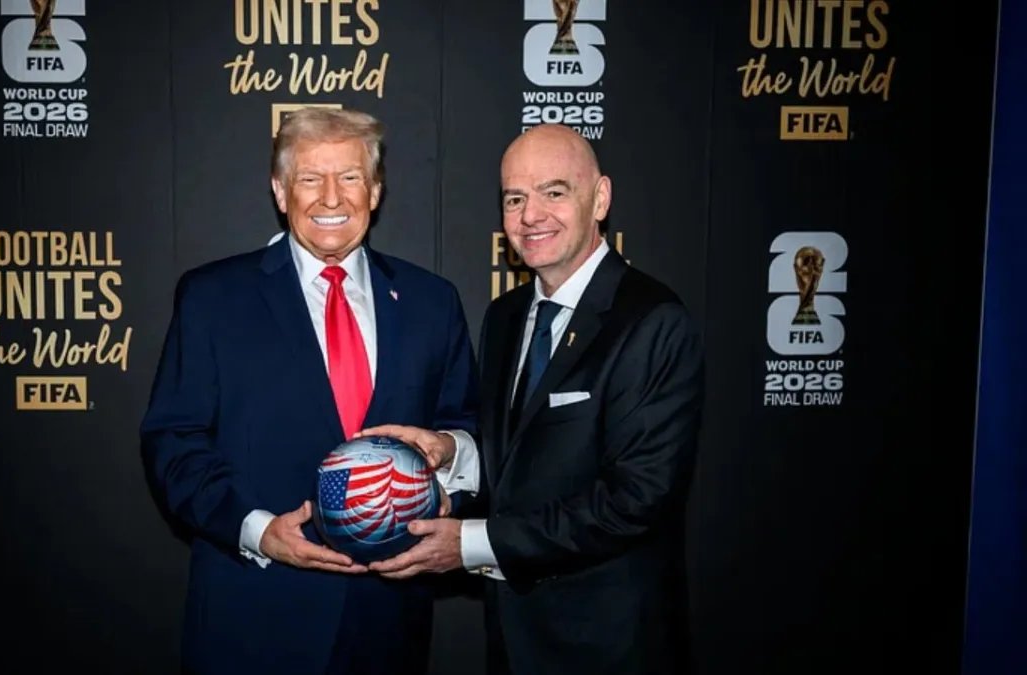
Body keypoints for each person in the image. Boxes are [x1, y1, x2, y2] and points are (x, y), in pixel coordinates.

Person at [139, 107, 480, 675]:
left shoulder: (432, 302)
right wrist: (257, 531)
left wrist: (448, 462)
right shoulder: (213, 297)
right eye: (310, 178)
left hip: (387, 623)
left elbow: (466, 427)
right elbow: (173, 442)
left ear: (375, 191)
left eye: (350, 177)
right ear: (280, 191)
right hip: (253, 617)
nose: (331, 198)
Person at [360, 124, 706, 674]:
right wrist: (454, 453)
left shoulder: (652, 321)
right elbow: (520, 459)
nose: (531, 215)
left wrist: (472, 543)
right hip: (515, 639)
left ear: (601, 199)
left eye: (554, 192)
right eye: (515, 198)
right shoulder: (506, 316)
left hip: (609, 645)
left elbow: (634, 499)